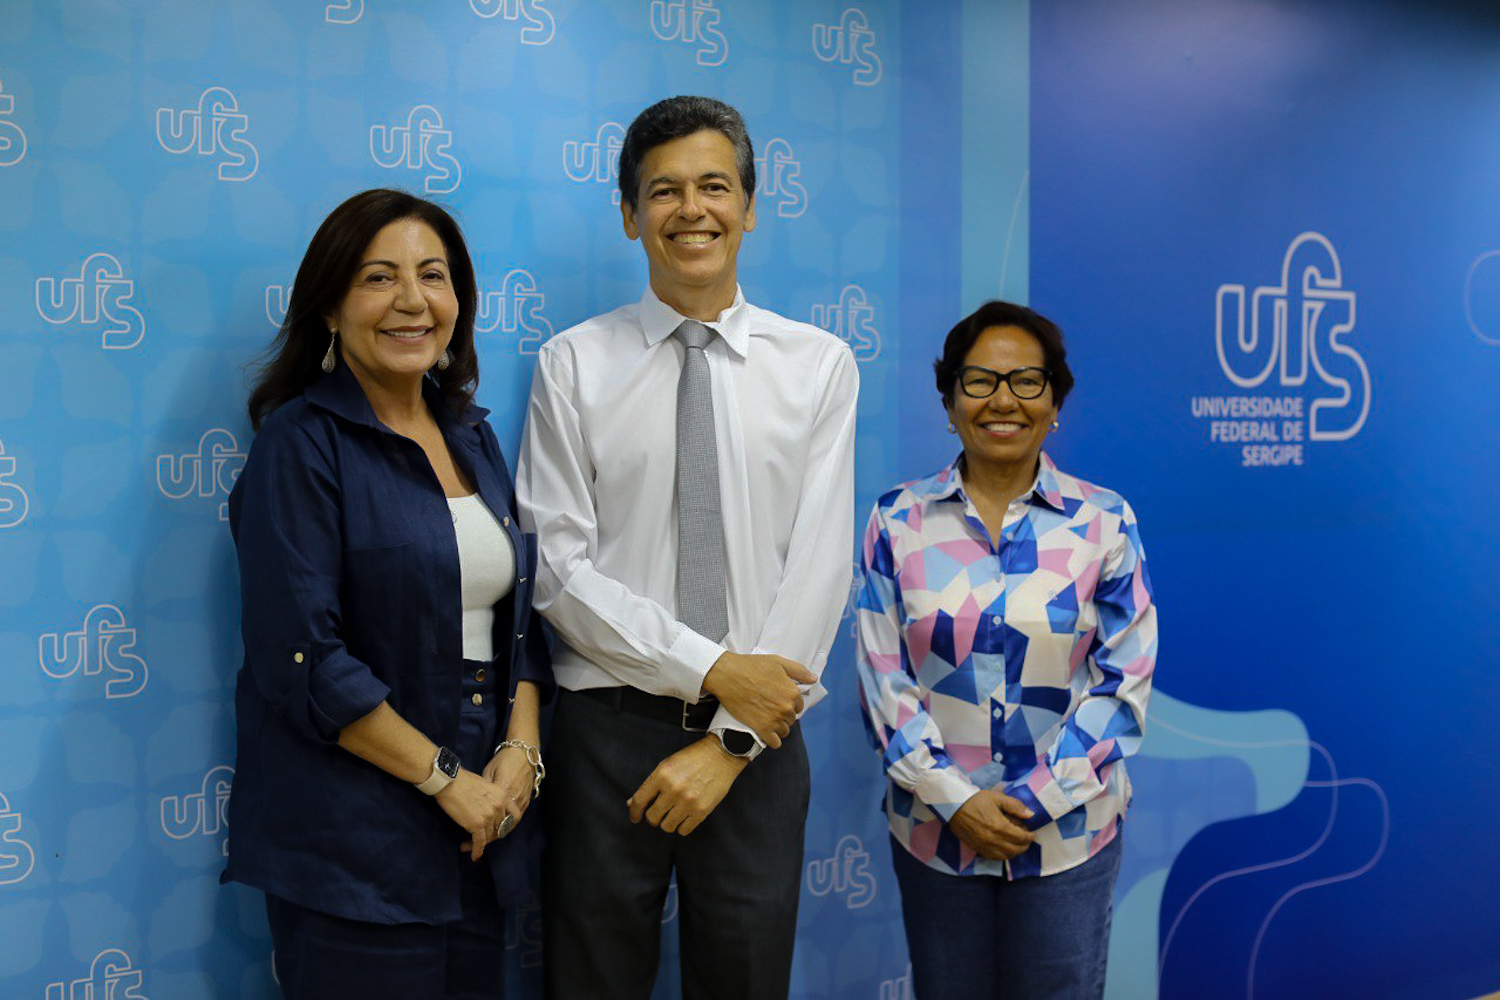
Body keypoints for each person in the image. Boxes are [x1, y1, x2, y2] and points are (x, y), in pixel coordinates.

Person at [517, 95, 858, 999]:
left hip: (759, 745)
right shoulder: (573, 365)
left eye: (714, 185)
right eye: (663, 191)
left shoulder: (819, 364)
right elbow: (556, 573)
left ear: (750, 205)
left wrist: (732, 737)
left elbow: (820, 570)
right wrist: (712, 668)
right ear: (630, 216)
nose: (691, 209)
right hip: (603, 737)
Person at [223, 188, 552, 1000]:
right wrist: (448, 781)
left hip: (482, 828)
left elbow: (515, 626)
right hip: (354, 842)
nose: (412, 300)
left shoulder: (471, 436)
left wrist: (520, 753)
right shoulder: (299, 444)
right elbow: (302, 659)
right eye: (379, 278)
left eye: (432, 276)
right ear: (330, 308)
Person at [853, 301, 1157, 1000]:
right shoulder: (896, 520)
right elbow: (881, 675)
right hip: (935, 834)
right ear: (949, 400)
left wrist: (1034, 803)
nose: (1003, 401)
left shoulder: (1103, 522)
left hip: (1067, 840)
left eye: (1027, 381)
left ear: (1055, 402)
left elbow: (1123, 684)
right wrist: (955, 801)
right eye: (980, 380)